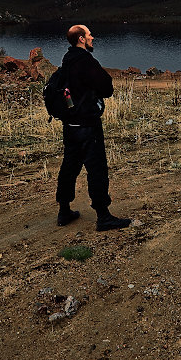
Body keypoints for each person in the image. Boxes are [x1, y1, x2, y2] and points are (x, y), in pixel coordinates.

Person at [54, 24, 131, 231]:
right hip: (87, 124)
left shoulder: (67, 60)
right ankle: (103, 216)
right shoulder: (85, 60)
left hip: (70, 125)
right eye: (89, 34)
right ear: (81, 39)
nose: (92, 37)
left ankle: (64, 211)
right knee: (96, 169)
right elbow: (107, 87)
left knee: (69, 166)